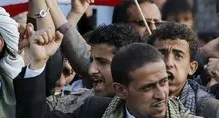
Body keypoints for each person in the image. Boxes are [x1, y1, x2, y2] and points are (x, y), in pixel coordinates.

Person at [17, 39, 199, 117]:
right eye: (148, 87)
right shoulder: (94, 111)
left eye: (163, 82)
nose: (161, 95)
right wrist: (38, 62)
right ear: (121, 90)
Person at [148, 22, 219, 117]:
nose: (168, 63)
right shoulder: (137, 99)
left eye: (178, 56)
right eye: (161, 54)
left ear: (192, 68)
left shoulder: (210, 108)